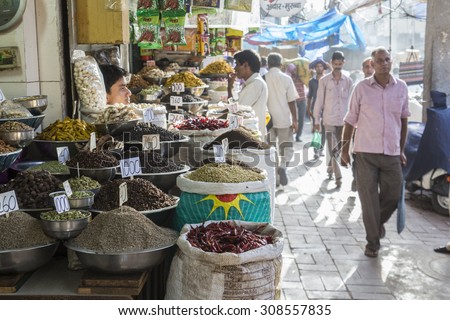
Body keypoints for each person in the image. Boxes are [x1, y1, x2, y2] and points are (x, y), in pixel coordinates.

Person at [340, 47, 410, 258]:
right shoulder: (361, 88)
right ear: (372, 64)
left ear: (392, 61)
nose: (384, 63)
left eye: (387, 59)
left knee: (393, 194)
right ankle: (373, 242)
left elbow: (404, 119)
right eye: (379, 60)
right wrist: (345, 150)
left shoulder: (401, 88)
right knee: (368, 200)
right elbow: (350, 121)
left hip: (391, 153)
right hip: (365, 153)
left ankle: (376, 223)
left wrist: (401, 149)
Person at [313, 51, 353, 187]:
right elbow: (319, 101)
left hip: (343, 121)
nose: (337, 66)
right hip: (329, 120)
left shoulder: (348, 81)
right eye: (335, 64)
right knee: (332, 149)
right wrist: (316, 121)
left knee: (338, 149)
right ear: (331, 63)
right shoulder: (324, 81)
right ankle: (339, 178)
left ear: (343, 63)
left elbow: (351, 103)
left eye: (339, 64)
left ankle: (330, 168)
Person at [265, 53, 299, 186]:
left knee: (271, 149)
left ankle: (275, 180)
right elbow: (292, 101)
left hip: (268, 121)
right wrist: (295, 120)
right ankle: (283, 167)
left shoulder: (263, 78)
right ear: (281, 64)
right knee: (286, 147)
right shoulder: (286, 79)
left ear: (268, 64)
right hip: (284, 119)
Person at [227, 49, 268, 139]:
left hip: (250, 137)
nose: (235, 68)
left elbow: (236, 111)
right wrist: (230, 87)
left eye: (237, 64)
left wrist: (229, 87)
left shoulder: (255, 84)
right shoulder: (252, 82)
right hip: (248, 135)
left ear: (245, 65)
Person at [351, 57, 375, 191]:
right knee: (357, 158)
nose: (369, 69)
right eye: (366, 66)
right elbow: (351, 112)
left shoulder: (384, 87)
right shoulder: (358, 87)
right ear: (363, 69)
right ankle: (356, 178)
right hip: (359, 130)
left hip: (375, 133)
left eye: (371, 66)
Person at [306, 58, 328, 159]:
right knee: (316, 130)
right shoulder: (312, 82)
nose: (319, 68)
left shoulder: (328, 80)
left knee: (323, 131)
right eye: (317, 67)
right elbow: (309, 96)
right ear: (315, 68)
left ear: (323, 68)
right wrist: (308, 108)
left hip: (326, 108)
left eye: (321, 66)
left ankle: (321, 149)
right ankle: (316, 150)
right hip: (315, 108)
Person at [285, 63, 307, 142]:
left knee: (301, 119)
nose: (294, 71)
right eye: (292, 70)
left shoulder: (301, 77)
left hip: (302, 100)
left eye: (294, 69)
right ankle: (290, 135)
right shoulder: (288, 77)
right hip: (292, 101)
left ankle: (298, 136)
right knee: (292, 119)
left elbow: (307, 80)